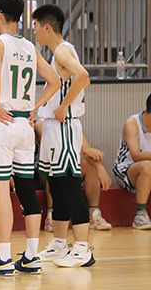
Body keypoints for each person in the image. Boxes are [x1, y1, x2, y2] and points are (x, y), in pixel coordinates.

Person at [0, 0, 60, 276]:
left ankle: (3, 258)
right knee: (26, 190)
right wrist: (35, 106)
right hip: (25, 125)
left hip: (3, 123)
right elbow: (55, 81)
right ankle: (32, 257)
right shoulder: (30, 47)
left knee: (1, 194)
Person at [32, 4, 96, 267]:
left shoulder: (61, 50)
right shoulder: (60, 52)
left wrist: (65, 105)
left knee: (70, 186)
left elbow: (84, 75)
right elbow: (83, 81)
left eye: (35, 27)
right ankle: (59, 245)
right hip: (52, 128)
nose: (34, 32)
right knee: (56, 188)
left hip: (64, 127)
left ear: (46, 27)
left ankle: (82, 249)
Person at [35, 121, 113, 232]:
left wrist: (100, 168)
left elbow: (89, 151)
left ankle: (94, 214)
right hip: (44, 168)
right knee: (56, 168)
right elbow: (55, 150)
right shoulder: (42, 123)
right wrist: (84, 151)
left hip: (69, 165)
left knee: (91, 166)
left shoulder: (73, 122)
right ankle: (51, 215)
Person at [113, 92, 151, 229]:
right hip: (125, 170)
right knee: (147, 166)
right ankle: (140, 215)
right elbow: (136, 156)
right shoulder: (132, 123)